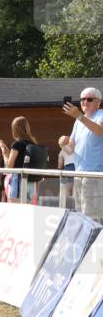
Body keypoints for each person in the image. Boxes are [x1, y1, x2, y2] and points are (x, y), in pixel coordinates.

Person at [62, 87, 103, 223]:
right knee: (81, 216)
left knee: (93, 218)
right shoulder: (78, 121)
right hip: (79, 174)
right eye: (82, 99)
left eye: (89, 99)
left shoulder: (101, 114)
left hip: (95, 174)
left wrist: (79, 116)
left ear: (98, 102)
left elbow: (98, 130)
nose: (85, 102)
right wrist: (62, 143)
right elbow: (70, 149)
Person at [0, 116, 37, 204]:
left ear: (15, 129)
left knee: (14, 211)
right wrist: (8, 150)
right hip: (30, 183)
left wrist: (4, 152)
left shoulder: (17, 144)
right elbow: (19, 159)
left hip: (18, 182)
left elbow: (9, 166)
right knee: (26, 212)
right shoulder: (33, 143)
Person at [58, 135, 76, 207]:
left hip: (68, 168)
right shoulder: (75, 148)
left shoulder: (62, 151)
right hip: (77, 168)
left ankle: (67, 207)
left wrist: (60, 175)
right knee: (76, 190)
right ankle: (75, 208)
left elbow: (60, 165)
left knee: (66, 190)